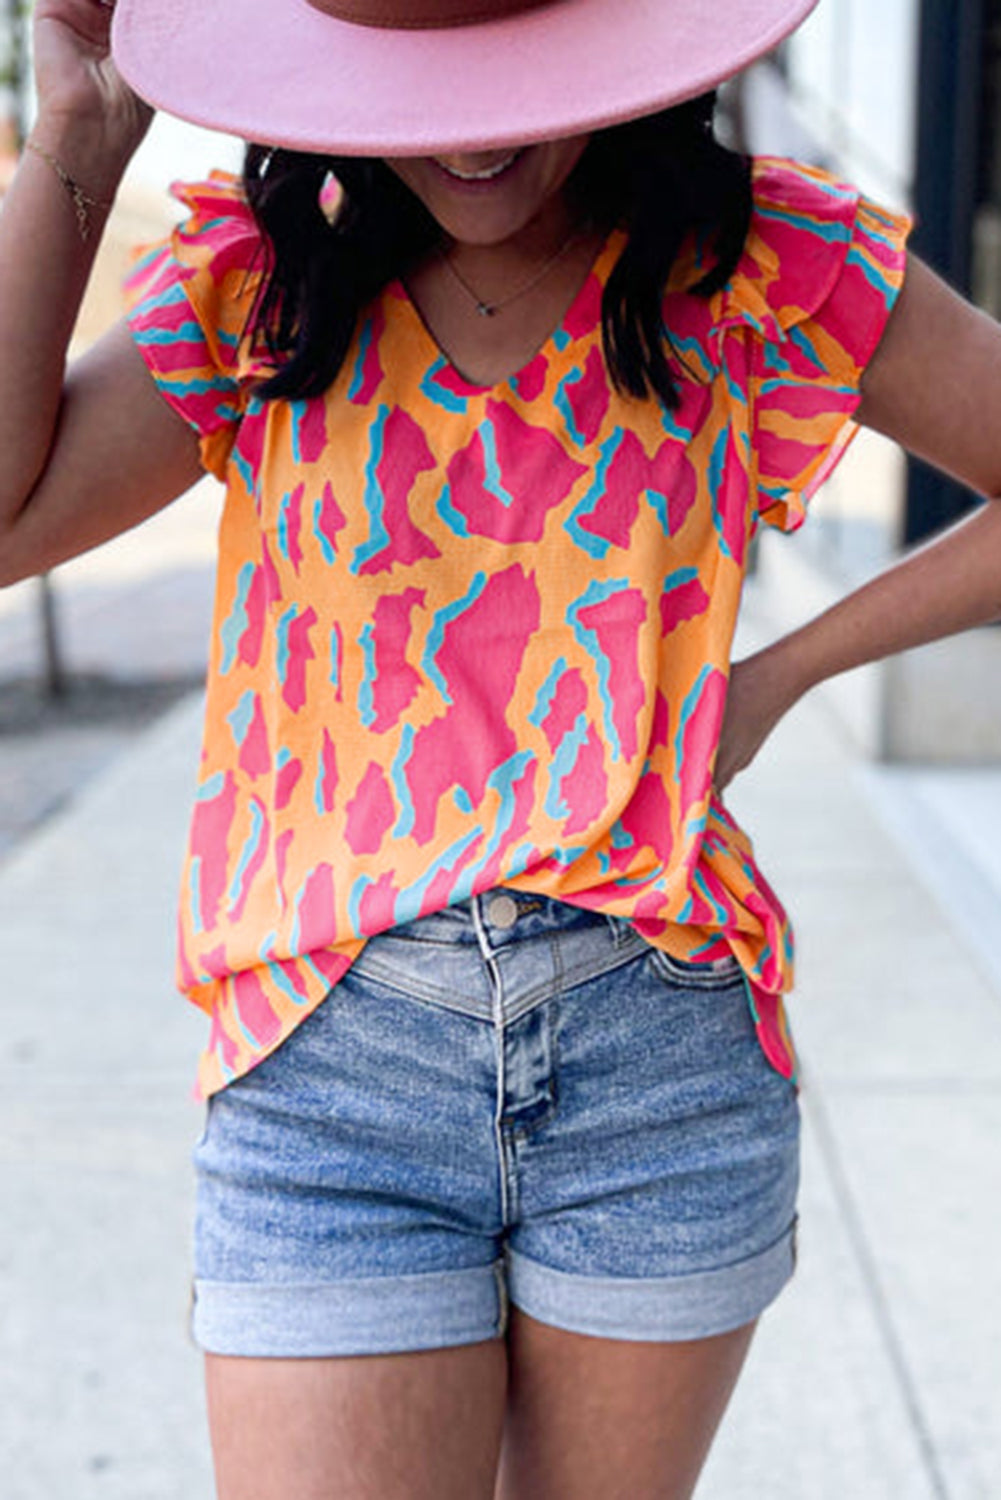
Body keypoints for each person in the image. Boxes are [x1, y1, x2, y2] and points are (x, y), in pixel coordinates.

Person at [3, 0, 1001, 1495]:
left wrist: (781, 676)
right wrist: (74, 134)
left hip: (655, 1058)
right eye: (427, 79)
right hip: (328, 1073)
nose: (472, 137)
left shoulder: (758, 266)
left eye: (513, 74)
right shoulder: (262, 285)